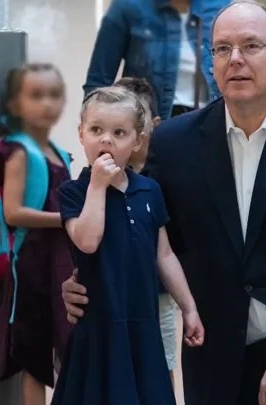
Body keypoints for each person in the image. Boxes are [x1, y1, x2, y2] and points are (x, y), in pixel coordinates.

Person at [63, 2, 266, 404]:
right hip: (210, 343)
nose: (235, 60)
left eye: (250, 46)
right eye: (222, 48)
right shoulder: (174, 142)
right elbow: (144, 234)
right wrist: (85, 279)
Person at [51, 86, 204, 405]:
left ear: (137, 140)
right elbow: (87, 241)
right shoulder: (73, 192)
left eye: (119, 132)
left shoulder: (149, 191)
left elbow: (164, 255)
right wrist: (97, 186)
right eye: (96, 130)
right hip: (98, 331)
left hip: (142, 327)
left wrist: (189, 307)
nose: (106, 140)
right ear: (81, 134)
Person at [0, 63, 75, 405]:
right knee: (35, 357)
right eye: (36, 95)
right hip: (32, 266)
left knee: (66, 344)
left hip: (61, 263)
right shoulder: (19, 152)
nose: (47, 104)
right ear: (15, 104)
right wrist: (68, 220)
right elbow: (13, 213)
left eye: (54, 95)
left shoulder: (59, 152)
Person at [116, 77, 180, 385]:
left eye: (136, 119)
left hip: (159, 296)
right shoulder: (100, 179)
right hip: (114, 296)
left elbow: (168, 250)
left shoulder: (168, 175)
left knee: (160, 368)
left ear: (154, 123)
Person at [84, 0, 229, 119]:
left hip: (210, 125)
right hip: (147, 132)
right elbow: (98, 83)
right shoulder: (128, 7)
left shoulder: (221, 7)